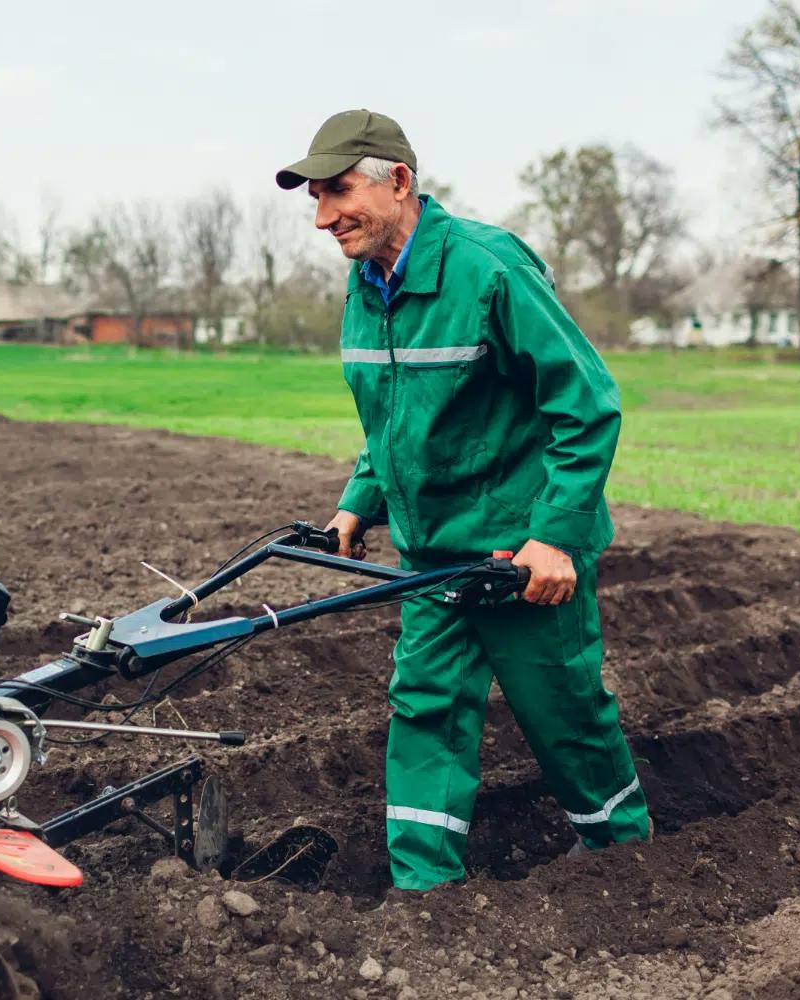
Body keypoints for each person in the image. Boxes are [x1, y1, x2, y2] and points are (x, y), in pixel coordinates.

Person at [275, 109, 651, 897]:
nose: (322, 217)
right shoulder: (367, 285)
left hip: (520, 553)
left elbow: (586, 406)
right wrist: (357, 504)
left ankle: (626, 857)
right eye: (315, 198)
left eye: (338, 192)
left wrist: (554, 537)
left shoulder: (488, 269)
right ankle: (425, 892)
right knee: (426, 710)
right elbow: (395, 421)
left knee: (565, 717)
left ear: (399, 182)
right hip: (433, 553)